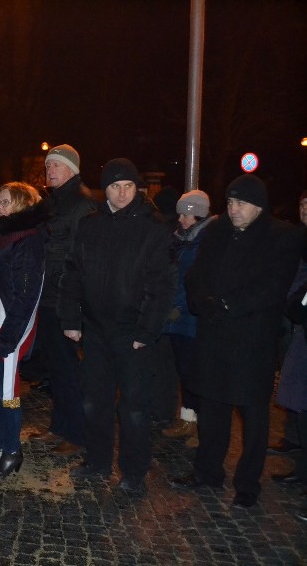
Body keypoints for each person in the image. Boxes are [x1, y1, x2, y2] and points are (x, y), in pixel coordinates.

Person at [169, 174, 301, 508]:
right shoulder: (217, 230)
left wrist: (228, 305)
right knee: (212, 410)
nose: (234, 209)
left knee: (254, 417)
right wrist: (201, 301)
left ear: (259, 205)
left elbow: (273, 287)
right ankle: (207, 471)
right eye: (229, 202)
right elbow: (195, 274)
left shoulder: (281, 236)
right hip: (214, 335)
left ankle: (247, 485)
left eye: (241, 203)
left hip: (251, 342)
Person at [58, 158, 175, 496]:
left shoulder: (153, 228)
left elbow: (161, 286)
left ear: (136, 188)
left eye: (127, 186)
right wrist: (70, 319)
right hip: (95, 331)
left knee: (135, 407)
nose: (122, 193)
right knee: (94, 401)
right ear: (104, 189)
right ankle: (97, 461)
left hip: (132, 334)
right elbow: (72, 275)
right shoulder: (90, 225)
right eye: (114, 186)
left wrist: (146, 332)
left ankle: (134, 471)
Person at [0, 182, 48, 478]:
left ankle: (12, 450)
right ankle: (3, 448)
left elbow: (26, 294)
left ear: (21, 205)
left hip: (8, 330)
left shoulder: (28, 241)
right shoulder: (3, 237)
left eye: (4, 202)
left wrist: (10, 334)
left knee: (8, 394)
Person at [30, 144, 96, 457]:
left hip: (64, 298)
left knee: (70, 370)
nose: (50, 171)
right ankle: (59, 425)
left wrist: (68, 295)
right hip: (47, 296)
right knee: (55, 369)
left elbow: (78, 257)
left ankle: (77, 433)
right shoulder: (53, 202)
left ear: (73, 169)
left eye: (56, 165)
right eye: (48, 166)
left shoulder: (81, 204)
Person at [160, 190, 213, 447]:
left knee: (195, 374)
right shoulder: (183, 239)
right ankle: (187, 420)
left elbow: (192, 282)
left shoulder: (203, 242)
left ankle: (201, 426)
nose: (180, 218)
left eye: (186, 213)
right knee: (185, 373)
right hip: (179, 319)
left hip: (190, 319)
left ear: (199, 214)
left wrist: (177, 306)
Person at [270, 191, 307, 486]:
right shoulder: (297, 237)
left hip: (298, 319)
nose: (305, 210)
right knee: (294, 385)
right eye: (303, 204)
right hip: (292, 323)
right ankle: (293, 439)